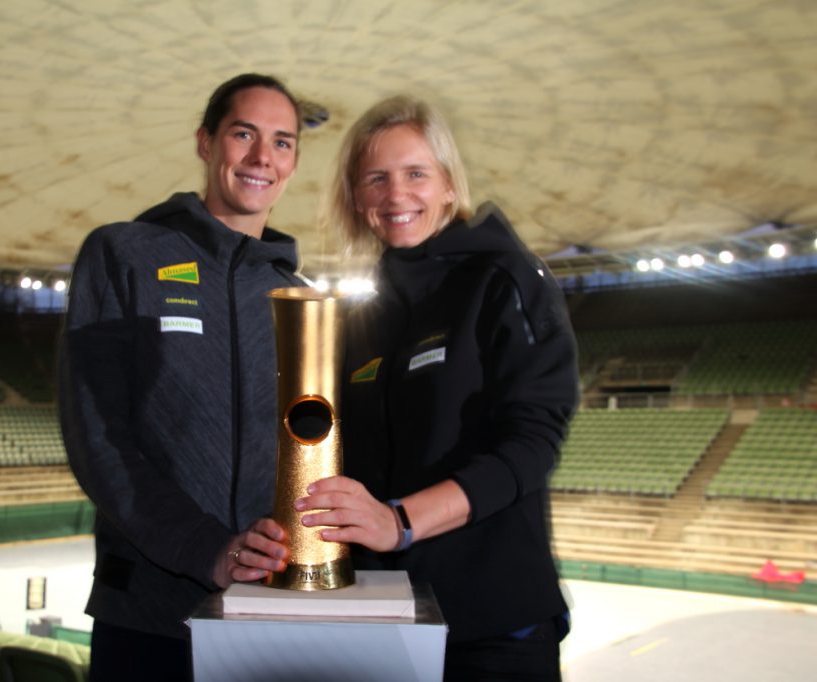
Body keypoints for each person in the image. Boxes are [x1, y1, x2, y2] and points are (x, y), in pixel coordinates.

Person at [297, 95, 579, 680]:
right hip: (385, 611)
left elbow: (531, 447)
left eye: (416, 174)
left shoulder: (505, 279)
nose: (396, 195)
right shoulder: (363, 316)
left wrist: (400, 521)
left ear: (450, 185)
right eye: (376, 178)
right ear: (357, 198)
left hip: (493, 623)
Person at [58, 73, 303, 681]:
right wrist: (206, 549)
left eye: (282, 142)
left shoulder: (295, 297)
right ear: (206, 142)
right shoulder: (123, 254)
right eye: (243, 134)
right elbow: (97, 435)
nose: (260, 158)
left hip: (265, 608)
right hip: (147, 612)